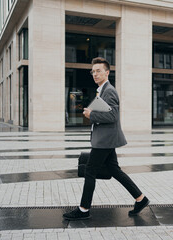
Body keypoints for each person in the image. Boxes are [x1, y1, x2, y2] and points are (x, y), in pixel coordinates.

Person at [63, 57, 149, 220]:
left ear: (107, 72)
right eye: (93, 71)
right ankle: (141, 198)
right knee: (115, 170)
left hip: (105, 141)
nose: (95, 74)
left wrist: (91, 114)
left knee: (90, 171)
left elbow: (113, 115)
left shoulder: (109, 91)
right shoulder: (102, 90)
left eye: (98, 71)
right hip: (105, 139)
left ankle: (83, 209)